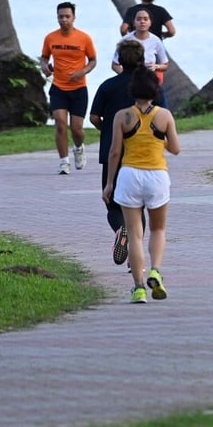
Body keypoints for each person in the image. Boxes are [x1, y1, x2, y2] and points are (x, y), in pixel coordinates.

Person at [103, 66, 181, 304]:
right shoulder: (164, 116)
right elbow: (175, 148)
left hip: (129, 177)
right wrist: (160, 139)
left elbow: (115, 152)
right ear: (155, 91)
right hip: (157, 176)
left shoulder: (122, 116)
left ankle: (138, 288)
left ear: (132, 90)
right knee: (158, 230)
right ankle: (156, 270)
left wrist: (109, 183)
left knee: (135, 235)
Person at [90, 39, 144, 266]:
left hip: (112, 152)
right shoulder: (147, 87)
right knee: (139, 205)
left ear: (119, 60)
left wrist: (108, 132)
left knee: (112, 203)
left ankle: (120, 229)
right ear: (142, 60)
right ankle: (136, 256)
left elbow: (93, 117)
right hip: (141, 153)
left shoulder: (107, 86)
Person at [40, 1, 97, 175]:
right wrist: (44, 67)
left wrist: (83, 71)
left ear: (74, 17)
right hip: (59, 88)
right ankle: (64, 162)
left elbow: (93, 60)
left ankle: (79, 147)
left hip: (79, 89)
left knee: (77, 129)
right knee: (60, 124)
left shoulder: (84, 38)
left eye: (67, 16)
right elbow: (44, 58)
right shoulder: (50, 38)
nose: (64, 20)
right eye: (60, 17)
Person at [111, 9, 170, 107]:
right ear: (134, 22)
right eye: (139, 19)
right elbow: (115, 65)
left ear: (150, 22)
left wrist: (156, 66)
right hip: (129, 83)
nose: (142, 21)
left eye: (145, 19)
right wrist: (125, 77)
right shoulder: (125, 40)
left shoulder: (156, 41)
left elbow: (165, 65)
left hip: (149, 82)